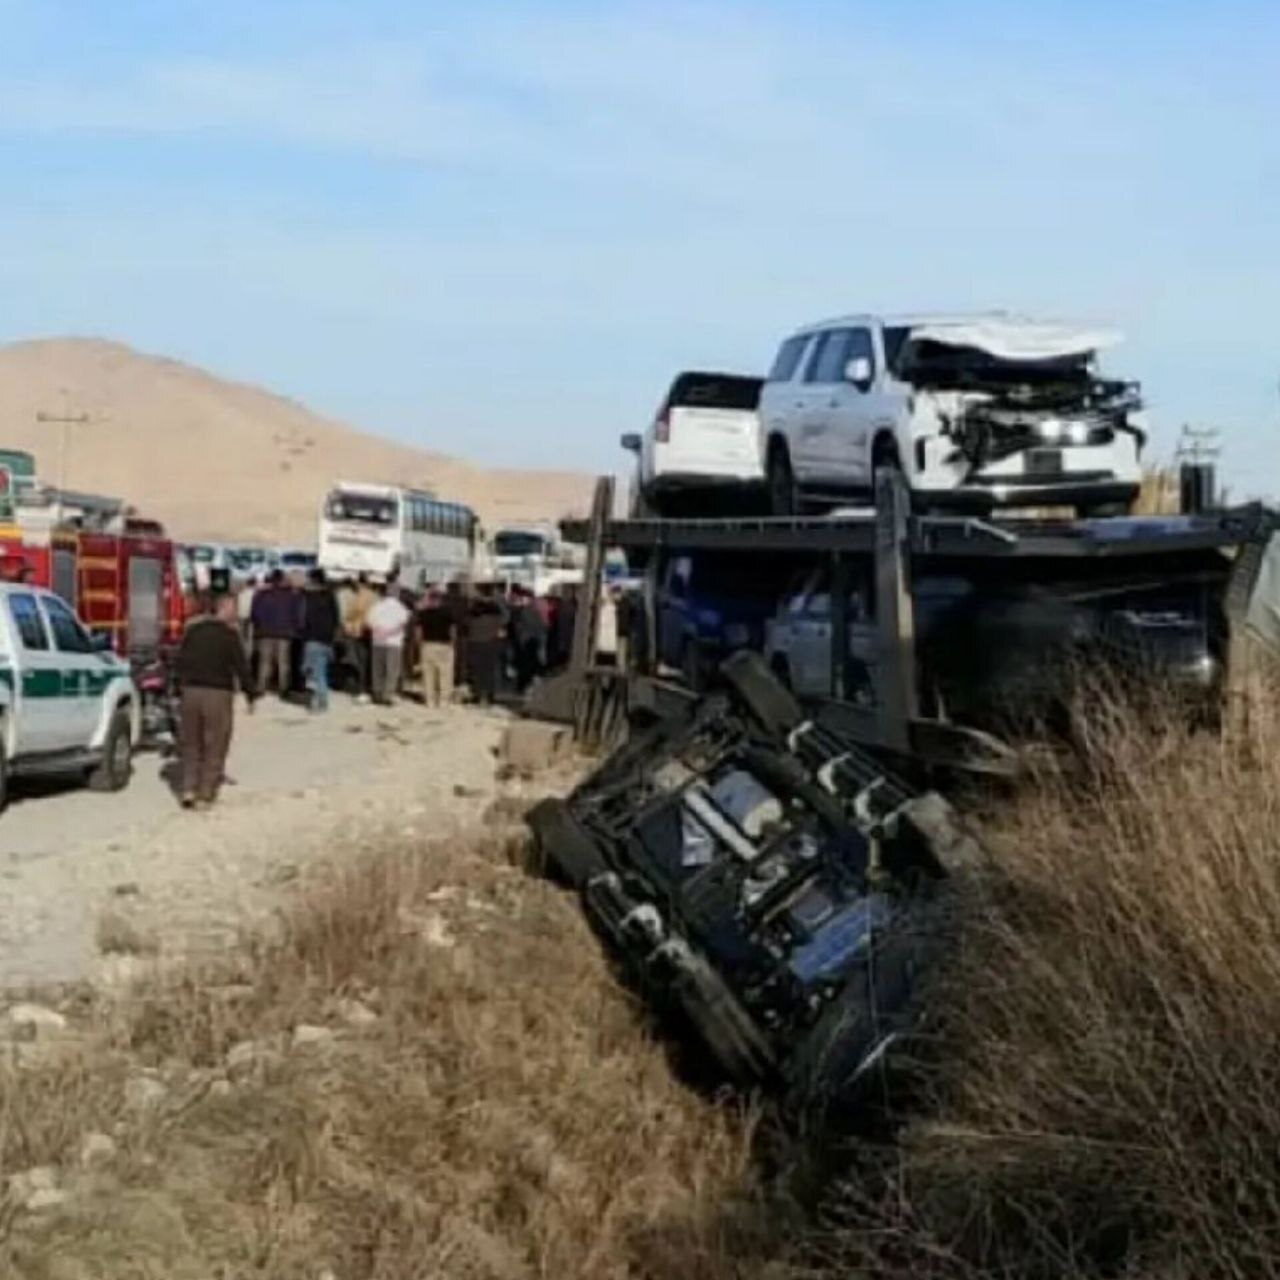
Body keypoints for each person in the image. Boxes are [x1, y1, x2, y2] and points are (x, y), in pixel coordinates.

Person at [174, 593, 255, 809]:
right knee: (216, 743)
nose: (236, 614)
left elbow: (179, 660)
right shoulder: (230, 635)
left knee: (191, 742)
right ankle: (205, 793)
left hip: (190, 691)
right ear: (226, 609)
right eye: (234, 609)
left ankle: (188, 788)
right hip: (217, 693)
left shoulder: (193, 632)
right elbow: (241, 667)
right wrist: (250, 693)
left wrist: (176, 688)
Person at [249, 569, 300, 697]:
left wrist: (259, 626)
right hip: (284, 632)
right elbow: (296, 614)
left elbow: (254, 613)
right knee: (283, 662)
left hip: (265, 632)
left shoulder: (261, 594)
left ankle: (261, 687)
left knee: (265, 661)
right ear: (282, 579)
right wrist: (295, 628)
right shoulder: (291, 596)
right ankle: (284, 688)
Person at [300, 567, 340, 713]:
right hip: (327, 639)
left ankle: (319, 702)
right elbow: (336, 618)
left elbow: (302, 617)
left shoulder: (307, 596)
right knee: (319, 669)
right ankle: (320, 700)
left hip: (312, 638)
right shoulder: (330, 596)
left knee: (313, 672)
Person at [367, 581, 411, 705]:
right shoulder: (401, 608)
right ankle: (388, 694)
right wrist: (389, 632)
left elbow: (370, 621)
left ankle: (377, 692)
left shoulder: (376, 606)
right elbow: (403, 624)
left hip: (378, 641)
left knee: (378, 668)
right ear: (397, 593)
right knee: (392, 670)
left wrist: (380, 631)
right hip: (394, 642)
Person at [467, 584, 506, 706]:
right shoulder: (497, 611)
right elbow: (502, 628)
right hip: (491, 642)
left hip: (476, 641)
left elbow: (467, 623)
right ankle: (490, 695)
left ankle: (477, 694)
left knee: (476, 670)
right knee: (490, 670)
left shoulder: (474, 610)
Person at [417, 586, 455, 707]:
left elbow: (418, 631)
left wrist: (420, 644)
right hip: (444, 645)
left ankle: (430, 700)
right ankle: (444, 700)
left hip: (428, 645)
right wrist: (452, 643)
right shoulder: (448, 613)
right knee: (445, 674)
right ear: (440, 600)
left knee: (428, 674)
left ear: (430, 599)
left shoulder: (423, 613)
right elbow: (452, 630)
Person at [509, 586, 548, 693]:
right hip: (530, 640)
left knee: (525, 665)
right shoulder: (530, 610)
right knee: (527, 664)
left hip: (528, 640)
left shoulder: (527, 611)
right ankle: (525, 684)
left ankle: (523, 685)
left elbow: (532, 626)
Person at [236, 576, 258, 649]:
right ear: (254, 584)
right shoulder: (256, 594)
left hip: (241, 617)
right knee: (250, 640)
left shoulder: (241, 593)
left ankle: (243, 653)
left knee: (242, 639)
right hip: (251, 618)